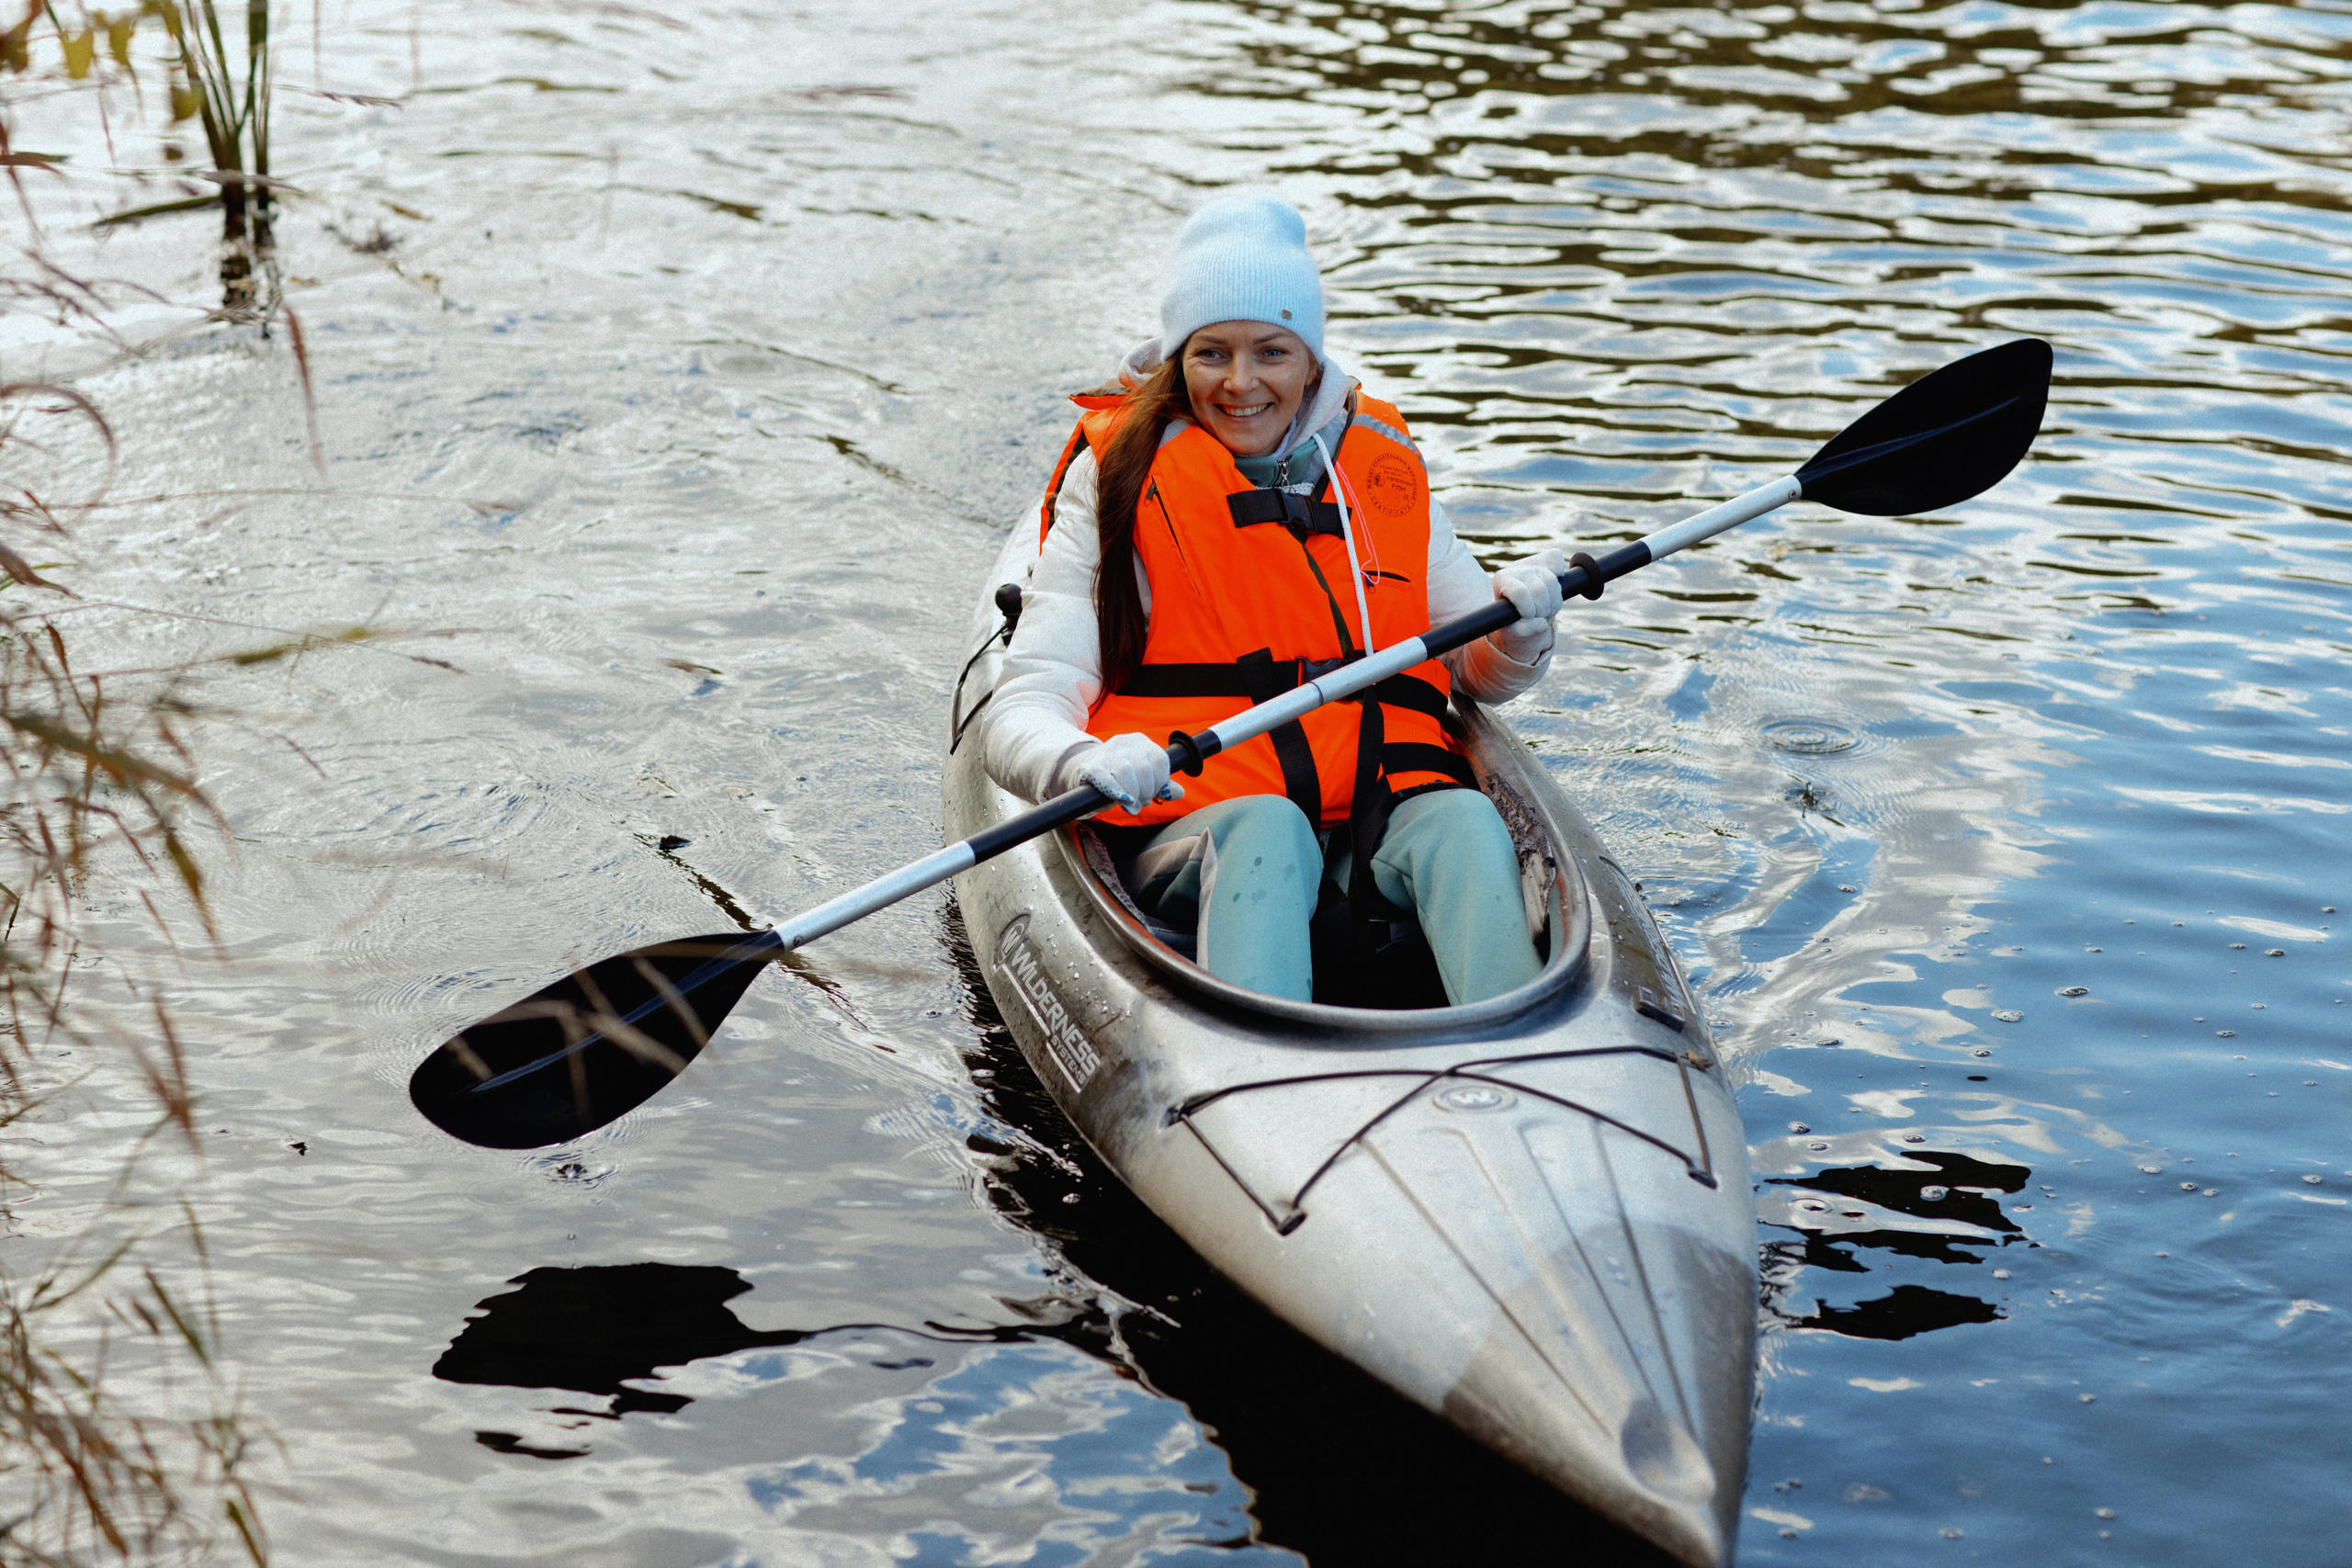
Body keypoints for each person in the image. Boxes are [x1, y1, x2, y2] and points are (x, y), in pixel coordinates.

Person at [983, 192, 1569, 1007]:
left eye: (1271, 351)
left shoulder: (1378, 469)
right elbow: (1019, 714)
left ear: (1311, 360)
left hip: (1371, 816)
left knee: (1468, 824)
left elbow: (1474, 669)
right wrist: (1082, 760)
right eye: (1211, 353)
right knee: (1267, 831)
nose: (1241, 382)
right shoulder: (1116, 481)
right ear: (1180, 358)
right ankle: (1263, 1074)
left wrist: (1522, 627)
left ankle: (1520, 1051)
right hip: (1198, 827)